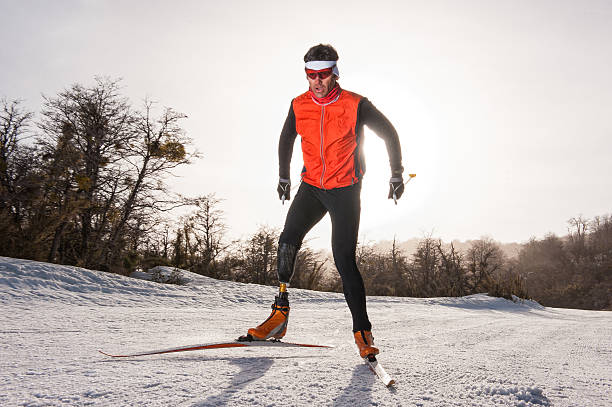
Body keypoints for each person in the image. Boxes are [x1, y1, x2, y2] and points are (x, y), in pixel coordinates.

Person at [243, 44, 405, 359]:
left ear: (334, 73)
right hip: (312, 187)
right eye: (311, 75)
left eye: (323, 74)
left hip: (345, 190)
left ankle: (363, 332)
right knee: (287, 241)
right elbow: (286, 138)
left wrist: (396, 174)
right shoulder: (299, 104)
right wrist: (283, 176)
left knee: (343, 260)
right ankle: (279, 316)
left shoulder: (356, 104)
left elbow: (390, 134)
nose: (317, 81)